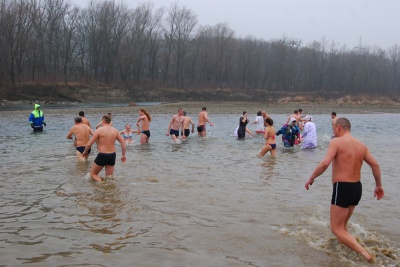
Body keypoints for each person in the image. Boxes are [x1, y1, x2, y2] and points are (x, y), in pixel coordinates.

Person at [305, 118, 384, 262]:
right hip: (356, 188)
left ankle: (365, 254)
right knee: (343, 227)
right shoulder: (361, 145)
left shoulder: (336, 142)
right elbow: (375, 166)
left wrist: (311, 177)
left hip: (342, 187)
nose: (333, 131)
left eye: (333, 128)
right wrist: (378, 185)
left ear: (339, 128)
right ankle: (343, 253)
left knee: (336, 229)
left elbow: (324, 163)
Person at [82, 114, 126, 182]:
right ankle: (108, 189)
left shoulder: (99, 130)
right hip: (112, 155)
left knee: (93, 174)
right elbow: (123, 142)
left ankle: (101, 184)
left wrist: (85, 152)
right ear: (109, 121)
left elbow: (89, 144)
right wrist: (123, 155)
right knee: (109, 177)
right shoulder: (115, 131)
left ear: (103, 121)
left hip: (103, 154)